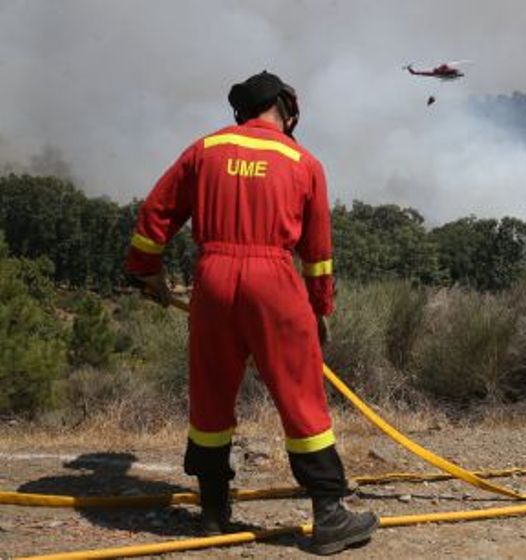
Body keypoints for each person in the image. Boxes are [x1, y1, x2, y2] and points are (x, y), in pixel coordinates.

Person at [125, 71, 378, 555]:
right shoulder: (304, 162)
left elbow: (156, 213)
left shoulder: (204, 150)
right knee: (300, 396)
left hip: (214, 280)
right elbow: (318, 252)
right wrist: (320, 307)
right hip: (275, 283)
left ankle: (213, 515)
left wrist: (146, 271)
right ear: (287, 107)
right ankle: (329, 514)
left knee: (211, 395)